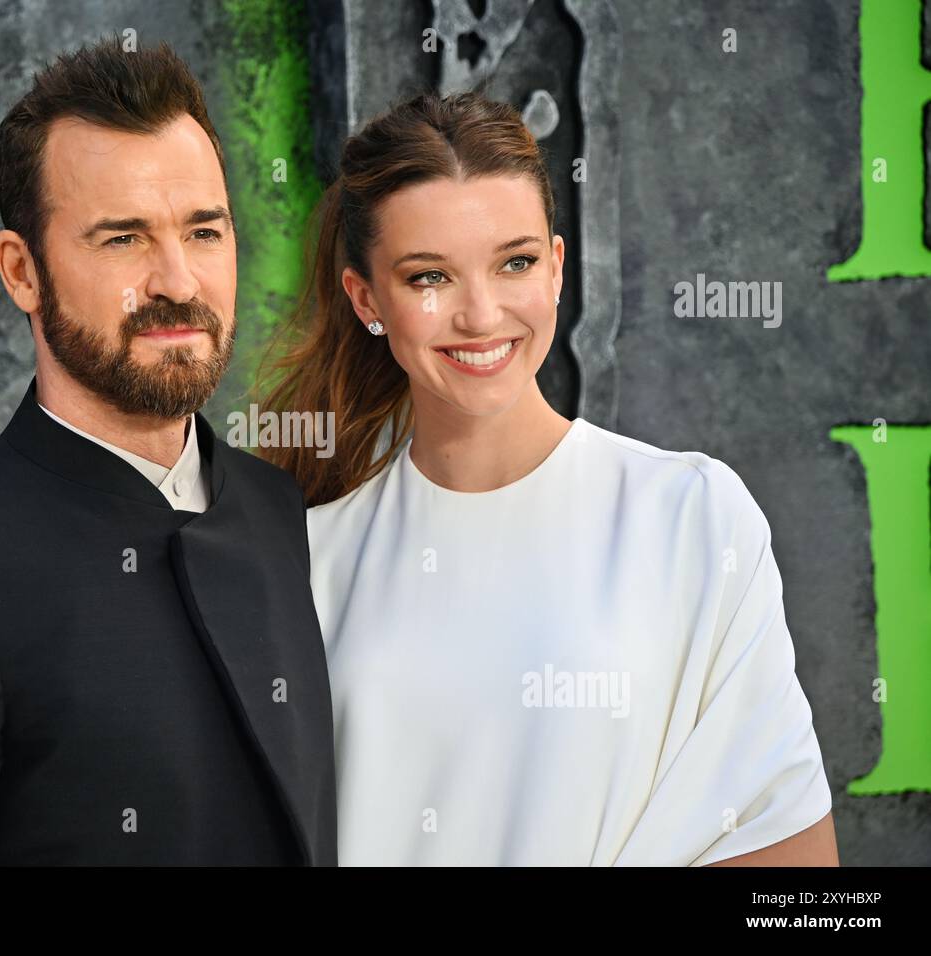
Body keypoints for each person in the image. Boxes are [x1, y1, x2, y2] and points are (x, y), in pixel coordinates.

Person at [257, 90, 837, 866]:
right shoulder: (307, 561)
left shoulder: (692, 518)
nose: (481, 314)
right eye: (430, 277)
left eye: (515, 262)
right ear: (368, 298)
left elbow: (788, 863)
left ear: (558, 267)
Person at [0, 37, 336, 865]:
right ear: (21, 272)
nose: (177, 282)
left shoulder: (279, 512)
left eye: (203, 231)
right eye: (123, 238)